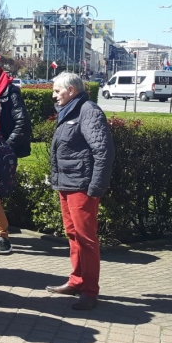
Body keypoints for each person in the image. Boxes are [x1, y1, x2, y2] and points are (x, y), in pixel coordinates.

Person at [45, 73, 115, 311]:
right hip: (66, 184)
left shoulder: (88, 111)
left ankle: (90, 291)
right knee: (73, 234)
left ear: (71, 91)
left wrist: (96, 187)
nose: (54, 95)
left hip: (82, 187)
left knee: (86, 239)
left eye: (57, 91)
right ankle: (76, 281)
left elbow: (103, 151)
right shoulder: (68, 110)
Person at [0, 62, 32, 256]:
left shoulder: (11, 93)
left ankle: (3, 237)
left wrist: (6, 147)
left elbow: (22, 123)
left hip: (0, 152)